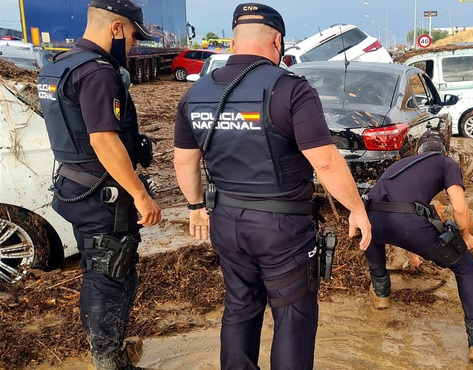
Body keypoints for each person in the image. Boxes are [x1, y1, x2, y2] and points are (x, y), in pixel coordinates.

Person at [172, 3, 371, 369]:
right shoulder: (289, 89)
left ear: (235, 39)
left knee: (239, 308)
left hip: (226, 222)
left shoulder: (195, 94)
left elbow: (184, 161)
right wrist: (356, 209)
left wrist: (195, 207)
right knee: (293, 317)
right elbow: (325, 160)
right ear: (277, 40)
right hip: (282, 229)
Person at [36, 0, 161, 369]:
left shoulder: (57, 66)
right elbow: (103, 139)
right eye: (134, 36)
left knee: (99, 269)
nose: (135, 46)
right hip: (101, 191)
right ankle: (108, 360)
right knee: (110, 274)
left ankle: (108, 352)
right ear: (117, 29)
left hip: (74, 184)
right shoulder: (97, 72)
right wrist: (140, 195)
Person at [362, 131, 473, 362]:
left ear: (418, 151)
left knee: (375, 235)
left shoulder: (401, 165)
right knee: (466, 266)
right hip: (406, 223)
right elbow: (459, 208)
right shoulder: (446, 162)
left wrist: (413, 250)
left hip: (370, 218)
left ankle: (381, 294)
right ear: (445, 151)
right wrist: (465, 237)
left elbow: (397, 207)